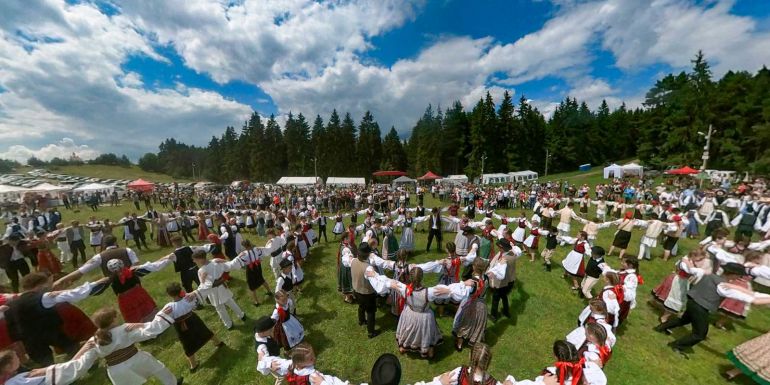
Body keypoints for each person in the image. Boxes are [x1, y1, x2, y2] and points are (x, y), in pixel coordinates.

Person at [655, 262, 770, 355]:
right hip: (700, 307)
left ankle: (661, 327)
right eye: (739, 276)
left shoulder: (712, 276)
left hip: (692, 301)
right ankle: (677, 346)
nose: (739, 278)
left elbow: (748, 293)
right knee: (700, 334)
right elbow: (754, 299)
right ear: (734, 275)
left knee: (683, 320)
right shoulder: (724, 287)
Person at [54, 235, 159, 323]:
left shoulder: (99, 257)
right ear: (116, 242)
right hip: (135, 284)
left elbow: (81, 271)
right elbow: (136, 265)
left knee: (130, 309)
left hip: (120, 289)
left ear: (104, 245)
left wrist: (61, 280)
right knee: (144, 304)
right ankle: (154, 323)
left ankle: (139, 328)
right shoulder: (127, 250)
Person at [4, 272, 101, 366]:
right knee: (71, 348)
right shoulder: (40, 297)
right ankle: (87, 365)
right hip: (50, 330)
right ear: (39, 286)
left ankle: (54, 379)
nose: (47, 288)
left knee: (45, 363)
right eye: (46, 286)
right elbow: (70, 295)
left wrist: (22, 339)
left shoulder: (10, 305)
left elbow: (11, 327)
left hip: (30, 339)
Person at [87, 307, 181, 385]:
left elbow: (87, 359)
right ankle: (173, 383)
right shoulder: (124, 329)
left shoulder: (94, 339)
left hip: (115, 370)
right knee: (159, 369)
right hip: (136, 359)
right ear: (113, 320)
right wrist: (162, 316)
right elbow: (149, 333)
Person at [160, 282, 223, 372]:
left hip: (181, 327)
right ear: (180, 290)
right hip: (193, 319)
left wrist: (164, 314)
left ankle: (193, 366)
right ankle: (218, 343)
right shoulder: (188, 298)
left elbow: (164, 317)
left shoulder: (169, 307)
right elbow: (195, 304)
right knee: (204, 331)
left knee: (187, 343)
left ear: (170, 295)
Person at [189, 249, 245, 330]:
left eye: (195, 259)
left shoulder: (201, 270)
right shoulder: (216, 261)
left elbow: (204, 285)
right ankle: (241, 315)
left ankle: (228, 324)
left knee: (220, 308)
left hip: (213, 291)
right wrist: (238, 258)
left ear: (200, 259)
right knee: (230, 301)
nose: (194, 261)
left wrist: (201, 281)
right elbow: (229, 265)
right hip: (222, 287)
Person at [0, 343, 98, 385]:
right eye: (16, 357)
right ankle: (94, 348)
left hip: (53, 376)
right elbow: (66, 370)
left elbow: (61, 369)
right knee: (76, 368)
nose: (19, 358)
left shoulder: (14, 378)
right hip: (52, 379)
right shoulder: (15, 381)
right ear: (9, 366)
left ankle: (88, 348)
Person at [453, 259, 489, 351]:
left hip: (471, 304)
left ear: (474, 267)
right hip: (482, 305)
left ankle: (459, 344)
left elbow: (467, 292)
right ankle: (475, 343)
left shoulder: (472, 281)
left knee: (465, 323)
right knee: (478, 324)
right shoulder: (486, 278)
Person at [231, 239, 273, 307]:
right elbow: (264, 249)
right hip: (258, 266)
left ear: (244, 246)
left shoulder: (244, 254)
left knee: (251, 285)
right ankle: (269, 291)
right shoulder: (256, 249)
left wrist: (239, 255)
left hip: (251, 269)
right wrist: (268, 242)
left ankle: (256, 302)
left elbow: (237, 261)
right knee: (261, 278)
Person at [487, 239, 521, 321]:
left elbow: (499, 272)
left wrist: (491, 272)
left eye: (498, 246)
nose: (498, 247)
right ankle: (506, 312)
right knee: (504, 296)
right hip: (511, 280)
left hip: (502, 282)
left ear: (501, 247)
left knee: (496, 298)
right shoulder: (514, 253)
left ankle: (493, 316)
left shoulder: (504, 259)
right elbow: (518, 250)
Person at [351, 242, 380, 338]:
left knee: (361, 306)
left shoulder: (353, 261)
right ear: (367, 254)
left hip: (356, 290)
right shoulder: (367, 267)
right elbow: (376, 281)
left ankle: (361, 321)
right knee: (371, 312)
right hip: (367, 293)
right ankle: (371, 332)